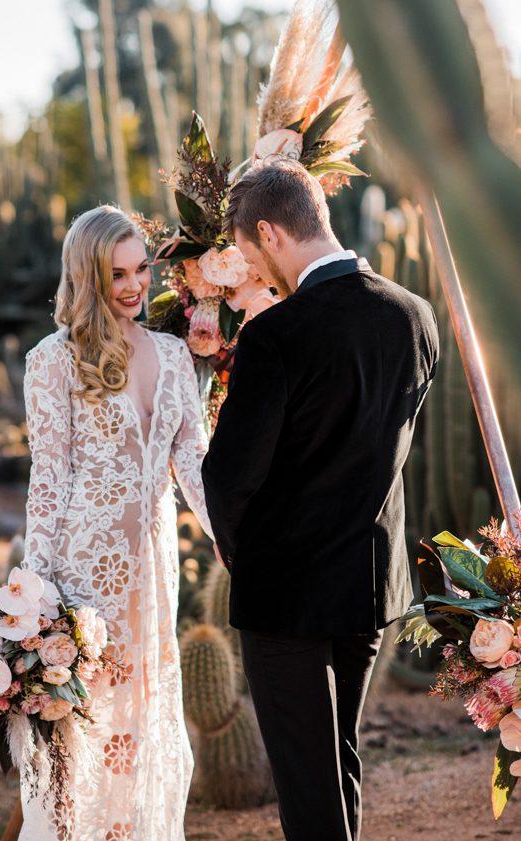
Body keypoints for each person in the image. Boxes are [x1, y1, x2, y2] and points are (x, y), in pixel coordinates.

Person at [202, 158, 439, 841]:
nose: (258, 272)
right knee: (338, 764)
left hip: (286, 595)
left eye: (250, 253)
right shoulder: (415, 316)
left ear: (271, 232)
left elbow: (230, 474)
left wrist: (244, 552)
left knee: (308, 788)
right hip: (367, 585)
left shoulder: (275, 336)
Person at [20, 205, 214, 840]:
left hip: (153, 578)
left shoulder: (173, 355)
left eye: (141, 270)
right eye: (116, 274)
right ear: (87, 276)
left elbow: (197, 470)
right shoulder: (52, 361)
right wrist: (31, 601)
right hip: (82, 577)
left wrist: (241, 542)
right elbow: (48, 484)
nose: (134, 287)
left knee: (142, 718)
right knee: (78, 729)